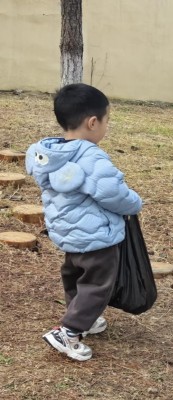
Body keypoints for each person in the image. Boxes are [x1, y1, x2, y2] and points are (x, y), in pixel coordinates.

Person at [25, 83, 142, 361]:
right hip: (95, 236)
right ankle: (69, 332)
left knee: (75, 275)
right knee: (98, 285)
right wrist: (135, 202)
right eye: (106, 121)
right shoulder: (90, 156)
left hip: (68, 233)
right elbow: (113, 193)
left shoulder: (50, 154)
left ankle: (81, 317)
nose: (106, 126)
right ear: (92, 122)